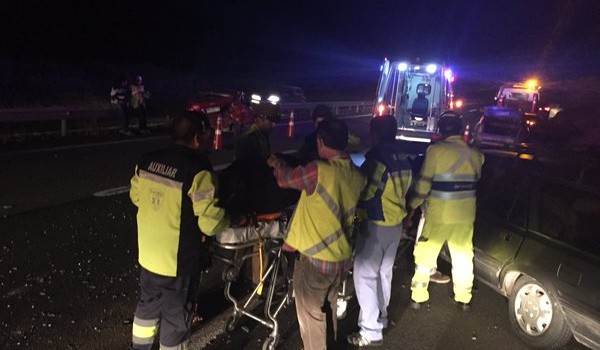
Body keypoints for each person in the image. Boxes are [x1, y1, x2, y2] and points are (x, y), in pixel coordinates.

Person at [129, 112, 233, 350]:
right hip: (178, 263)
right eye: (206, 136)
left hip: (148, 256)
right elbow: (209, 223)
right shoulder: (198, 171)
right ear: (197, 138)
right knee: (177, 320)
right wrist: (229, 219)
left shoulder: (146, 161)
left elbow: (136, 197)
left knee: (147, 307)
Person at [268, 118, 366, 350]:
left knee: (311, 316)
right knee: (328, 306)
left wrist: (277, 164)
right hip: (339, 259)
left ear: (321, 142)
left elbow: (285, 180)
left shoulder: (319, 170)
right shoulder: (356, 174)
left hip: (314, 260)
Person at [404, 112, 484, 311]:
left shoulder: (436, 151)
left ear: (441, 128)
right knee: (463, 256)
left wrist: (411, 207)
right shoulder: (476, 155)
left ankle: (418, 297)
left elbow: (423, 185)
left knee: (425, 255)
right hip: (466, 215)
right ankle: (464, 298)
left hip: (439, 214)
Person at [347, 115, 413, 347]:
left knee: (365, 276)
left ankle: (370, 331)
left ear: (375, 134)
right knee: (384, 273)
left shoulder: (377, 158)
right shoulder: (402, 156)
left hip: (376, 223)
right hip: (395, 223)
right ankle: (381, 318)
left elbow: (366, 191)